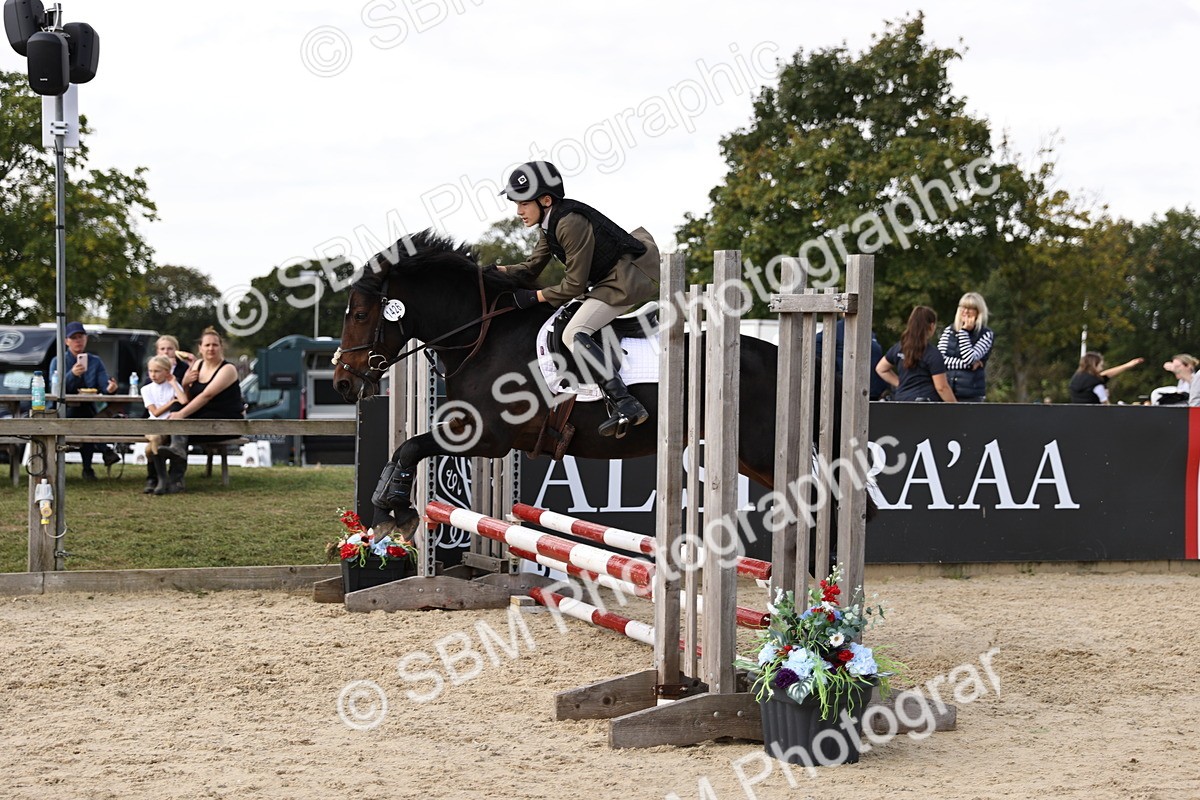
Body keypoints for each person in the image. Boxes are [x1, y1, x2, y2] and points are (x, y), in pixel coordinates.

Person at [497, 160, 661, 437]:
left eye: (523, 203)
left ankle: (624, 402)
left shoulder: (570, 223)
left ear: (545, 200)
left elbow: (573, 285)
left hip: (626, 279)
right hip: (608, 280)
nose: (519, 211)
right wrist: (492, 272)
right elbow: (530, 267)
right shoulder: (550, 224)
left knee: (574, 332)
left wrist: (534, 297)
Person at [161, 327, 245, 468]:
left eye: (214, 345)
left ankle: (175, 476)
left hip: (224, 419)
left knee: (180, 427)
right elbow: (186, 399)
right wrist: (185, 384)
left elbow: (207, 395)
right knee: (176, 405)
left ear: (221, 347)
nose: (211, 348)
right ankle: (161, 475)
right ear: (200, 348)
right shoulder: (198, 364)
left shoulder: (228, 369)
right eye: (207, 345)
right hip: (201, 416)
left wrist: (181, 414)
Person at [48, 321, 119, 480]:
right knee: (86, 418)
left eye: (80, 337)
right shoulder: (58, 361)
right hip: (62, 409)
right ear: (66, 341)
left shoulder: (95, 361)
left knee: (87, 416)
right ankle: (101, 454)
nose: (78, 341)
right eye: (73, 338)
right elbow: (55, 388)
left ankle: (92, 463)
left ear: (86, 339)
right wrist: (72, 375)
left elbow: (103, 386)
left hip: (87, 407)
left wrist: (111, 388)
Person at [139, 335, 194, 492]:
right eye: (151, 371)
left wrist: (173, 382)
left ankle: (160, 479)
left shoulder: (175, 378)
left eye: (157, 371)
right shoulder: (147, 388)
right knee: (155, 440)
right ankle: (157, 479)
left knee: (151, 448)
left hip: (171, 423)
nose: (153, 374)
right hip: (155, 424)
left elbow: (183, 400)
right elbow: (155, 412)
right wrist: (171, 402)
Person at [875, 306, 957, 402]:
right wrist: (955, 408)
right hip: (925, 405)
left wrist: (901, 384)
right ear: (931, 326)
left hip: (902, 401)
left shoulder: (899, 348)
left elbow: (881, 369)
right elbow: (942, 387)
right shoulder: (932, 354)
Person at [937, 292, 995, 402]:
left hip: (971, 394)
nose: (966, 311)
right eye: (963, 307)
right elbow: (940, 360)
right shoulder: (949, 331)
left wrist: (964, 332)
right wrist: (967, 365)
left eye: (971, 308)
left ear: (978, 312)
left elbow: (969, 358)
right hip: (948, 390)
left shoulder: (986, 334)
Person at [814, 318, 888, 400]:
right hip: (848, 392)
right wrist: (832, 370)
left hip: (871, 392)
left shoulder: (867, 330)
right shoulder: (838, 328)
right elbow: (817, 347)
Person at [1068, 352, 1144, 404]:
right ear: (1094, 365)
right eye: (1100, 366)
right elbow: (1106, 405)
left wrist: (1127, 365)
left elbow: (1103, 375)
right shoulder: (1096, 385)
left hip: (1079, 415)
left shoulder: (1076, 379)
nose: (1101, 368)